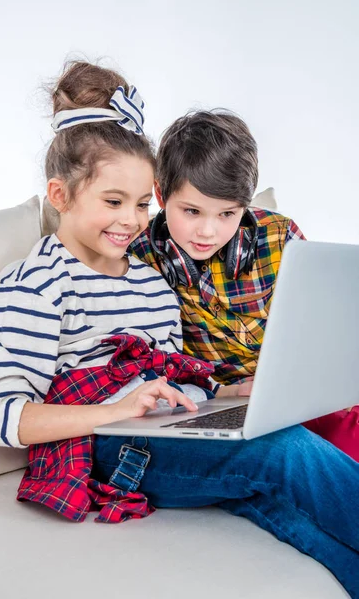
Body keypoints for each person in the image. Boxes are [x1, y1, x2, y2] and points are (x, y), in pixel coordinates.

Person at [0, 61, 359, 597]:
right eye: (113, 202)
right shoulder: (36, 285)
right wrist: (118, 410)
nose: (131, 220)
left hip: (168, 430)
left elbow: (172, 378)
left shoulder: (149, 279)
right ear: (59, 197)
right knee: (282, 449)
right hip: (106, 444)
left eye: (141, 204)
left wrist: (229, 392)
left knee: (274, 501)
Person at [130, 110, 359, 462]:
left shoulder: (279, 236)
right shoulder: (140, 254)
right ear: (161, 196)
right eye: (192, 211)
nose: (208, 231)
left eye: (227, 214)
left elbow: (324, 328)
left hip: (300, 397)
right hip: (225, 405)